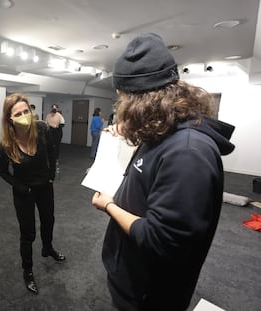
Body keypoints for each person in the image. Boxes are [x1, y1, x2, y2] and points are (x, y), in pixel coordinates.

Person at [91, 33, 235, 311]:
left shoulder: (188, 152)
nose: (120, 108)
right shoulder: (164, 132)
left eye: (122, 99)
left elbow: (160, 240)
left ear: (138, 99)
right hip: (131, 277)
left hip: (149, 295)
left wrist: (108, 204)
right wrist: (122, 139)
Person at [0, 93, 65, 295]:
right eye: (19, 113)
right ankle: (28, 271)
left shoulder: (42, 129)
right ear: (10, 118)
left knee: (48, 220)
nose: (25, 115)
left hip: (45, 185)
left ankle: (48, 248)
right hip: (24, 191)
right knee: (27, 233)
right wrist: (17, 185)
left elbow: (52, 153)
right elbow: (2, 172)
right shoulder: (6, 145)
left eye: (27, 111)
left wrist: (51, 175)